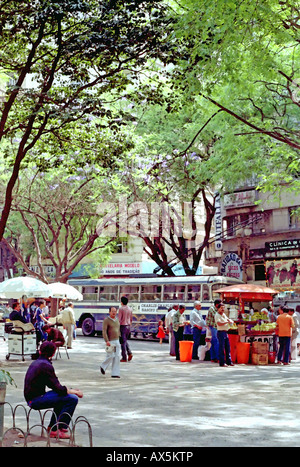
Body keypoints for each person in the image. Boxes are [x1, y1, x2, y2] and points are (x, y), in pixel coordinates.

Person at [24, 341, 83, 439]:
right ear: (53, 353)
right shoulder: (45, 365)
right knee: (72, 398)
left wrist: (70, 390)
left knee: (63, 397)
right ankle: (56, 429)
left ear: (40, 351)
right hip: (35, 400)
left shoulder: (38, 363)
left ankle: (54, 426)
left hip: (33, 397)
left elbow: (55, 386)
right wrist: (75, 392)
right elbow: (59, 389)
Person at [100, 307, 121, 378]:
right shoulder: (106, 320)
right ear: (109, 312)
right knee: (111, 356)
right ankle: (103, 366)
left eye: (115, 311)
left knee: (117, 357)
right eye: (112, 311)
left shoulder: (117, 320)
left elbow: (118, 329)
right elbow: (104, 331)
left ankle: (115, 373)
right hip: (110, 341)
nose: (114, 313)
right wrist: (106, 340)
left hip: (117, 340)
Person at [215, 302, 234, 367]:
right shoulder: (217, 315)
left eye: (223, 308)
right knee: (221, 348)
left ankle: (229, 361)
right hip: (220, 332)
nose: (223, 309)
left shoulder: (224, 314)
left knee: (227, 347)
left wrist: (230, 321)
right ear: (218, 308)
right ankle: (222, 362)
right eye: (221, 308)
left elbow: (227, 319)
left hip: (225, 332)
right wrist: (227, 322)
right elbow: (219, 323)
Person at [119, 296, 133, 362]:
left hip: (123, 326)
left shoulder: (121, 309)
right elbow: (131, 319)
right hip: (128, 326)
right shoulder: (130, 309)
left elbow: (119, 319)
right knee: (125, 341)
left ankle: (124, 357)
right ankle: (129, 353)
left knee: (122, 342)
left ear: (121, 302)